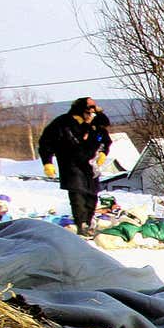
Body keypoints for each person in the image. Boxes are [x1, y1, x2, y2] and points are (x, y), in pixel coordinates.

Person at [37, 97, 111, 236]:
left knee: (92, 196)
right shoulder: (63, 123)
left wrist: (103, 152)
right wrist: (47, 162)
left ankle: (87, 223)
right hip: (70, 163)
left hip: (90, 165)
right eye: (89, 109)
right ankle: (81, 223)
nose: (92, 112)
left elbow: (105, 139)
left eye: (94, 108)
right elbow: (46, 142)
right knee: (78, 194)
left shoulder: (96, 123)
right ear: (81, 109)